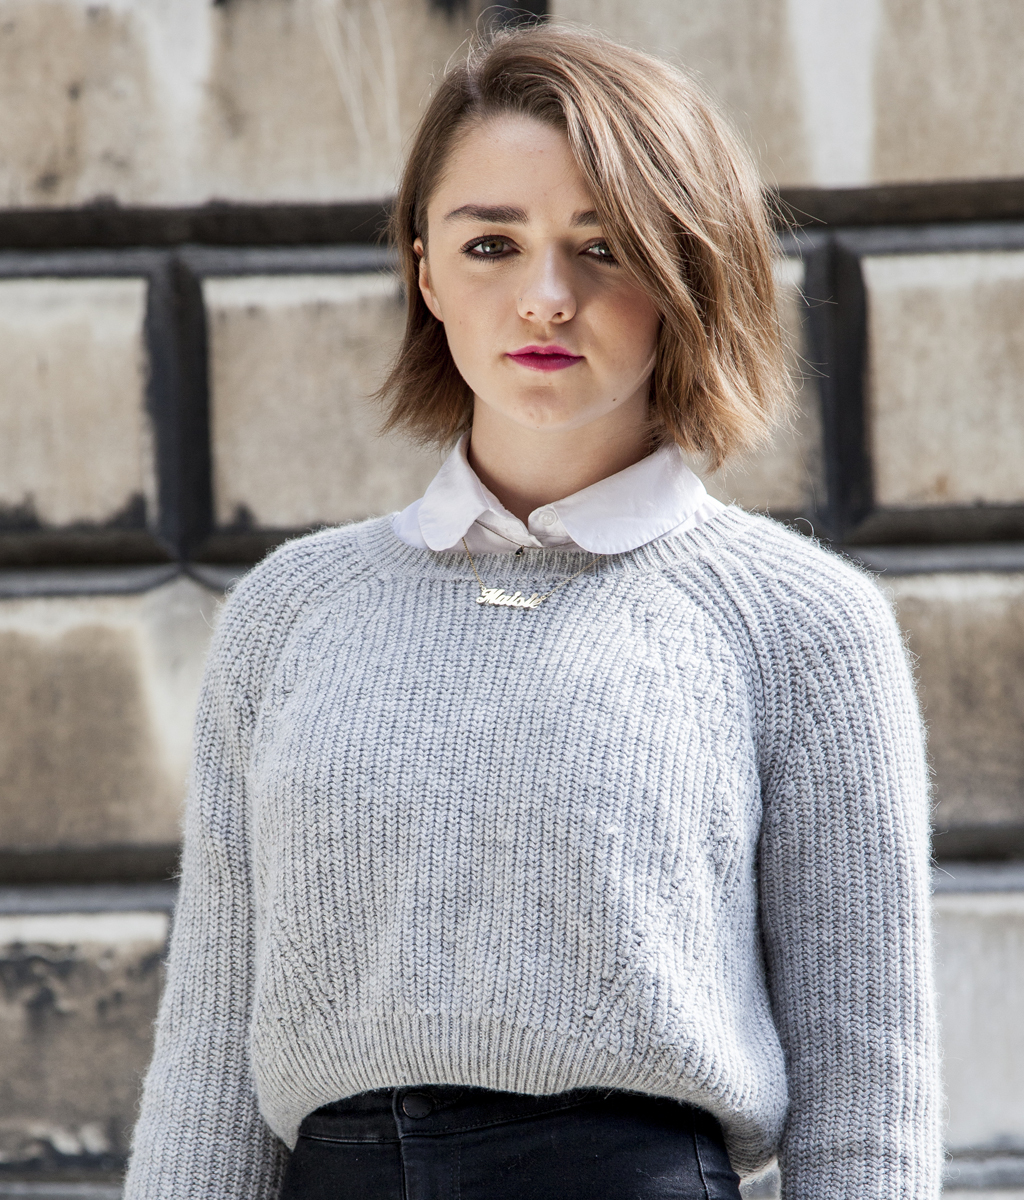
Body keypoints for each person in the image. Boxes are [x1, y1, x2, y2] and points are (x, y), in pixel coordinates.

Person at [123, 23, 940, 1200]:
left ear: (687, 272)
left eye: (602, 247)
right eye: (492, 244)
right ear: (425, 273)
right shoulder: (292, 612)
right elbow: (207, 1064)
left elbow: (869, 1089)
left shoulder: (803, 625)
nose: (545, 298)